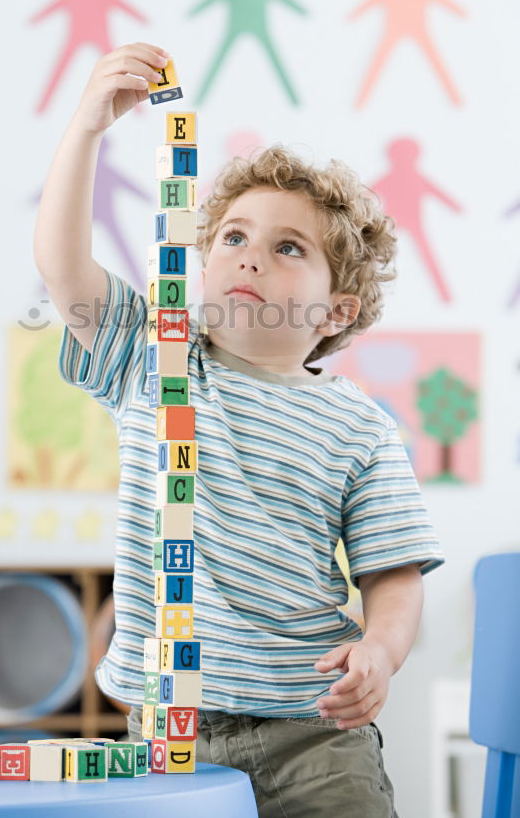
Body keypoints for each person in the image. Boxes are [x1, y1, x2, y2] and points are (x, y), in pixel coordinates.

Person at [34, 42, 445, 817]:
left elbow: (394, 572)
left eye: (288, 248)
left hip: (313, 732)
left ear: (336, 311)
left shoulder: (360, 427)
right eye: (233, 237)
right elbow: (62, 267)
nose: (251, 258)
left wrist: (381, 652)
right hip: (166, 733)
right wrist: (87, 128)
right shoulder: (155, 358)